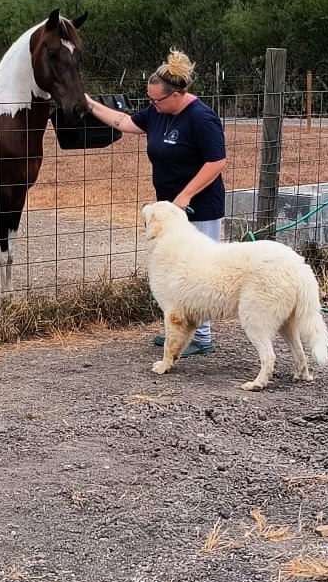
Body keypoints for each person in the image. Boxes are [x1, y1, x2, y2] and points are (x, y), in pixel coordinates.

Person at [85, 49, 227, 357]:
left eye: (156, 100)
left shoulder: (201, 118)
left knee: (199, 271)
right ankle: (180, 332)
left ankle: (201, 336)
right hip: (169, 212)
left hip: (198, 208)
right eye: (149, 100)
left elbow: (216, 161)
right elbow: (123, 122)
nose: (151, 105)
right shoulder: (157, 113)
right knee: (176, 271)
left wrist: (186, 195)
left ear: (176, 95)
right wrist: (89, 103)